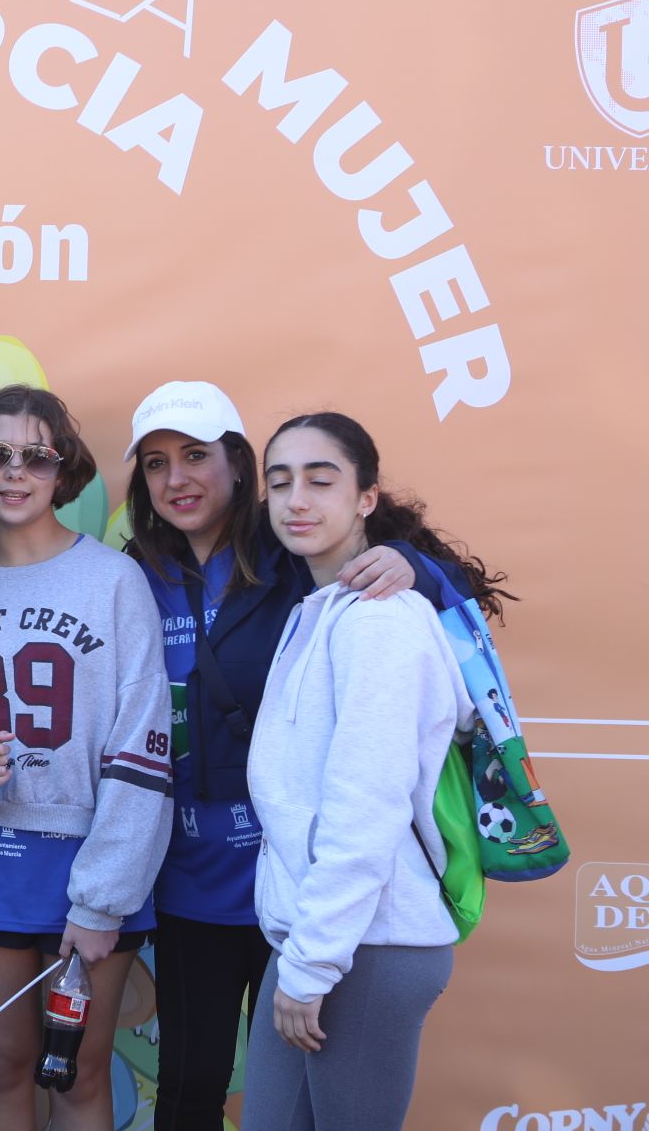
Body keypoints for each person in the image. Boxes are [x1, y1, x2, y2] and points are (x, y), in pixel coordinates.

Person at [120, 381, 455, 1131]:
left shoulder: (316, 569)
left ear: (238, 466)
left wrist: (413, 568)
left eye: (197, 456)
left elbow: (431, 616)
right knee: (194, 1090)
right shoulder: (138, 570)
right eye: (156, 463)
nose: (178, 479)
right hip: (204, 881)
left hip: (319, 899)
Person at [241, 412, 502, 1131]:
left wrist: (313, 966)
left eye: (321, 481)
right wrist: (306, 957)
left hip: (367, 947)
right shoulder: (323, 610)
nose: (297, 499)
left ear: (365, 499)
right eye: (281, 481)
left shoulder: (380, 622)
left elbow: (366, 805)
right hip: (318, 939)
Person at [0, 384, 172, 1131]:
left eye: (35, 456)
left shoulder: (114, 580)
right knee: (3, 1067)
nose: (14, 472)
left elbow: (144, 743)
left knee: (75, 1073)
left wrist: (103, 895)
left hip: (92, 857)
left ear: (63, 469)